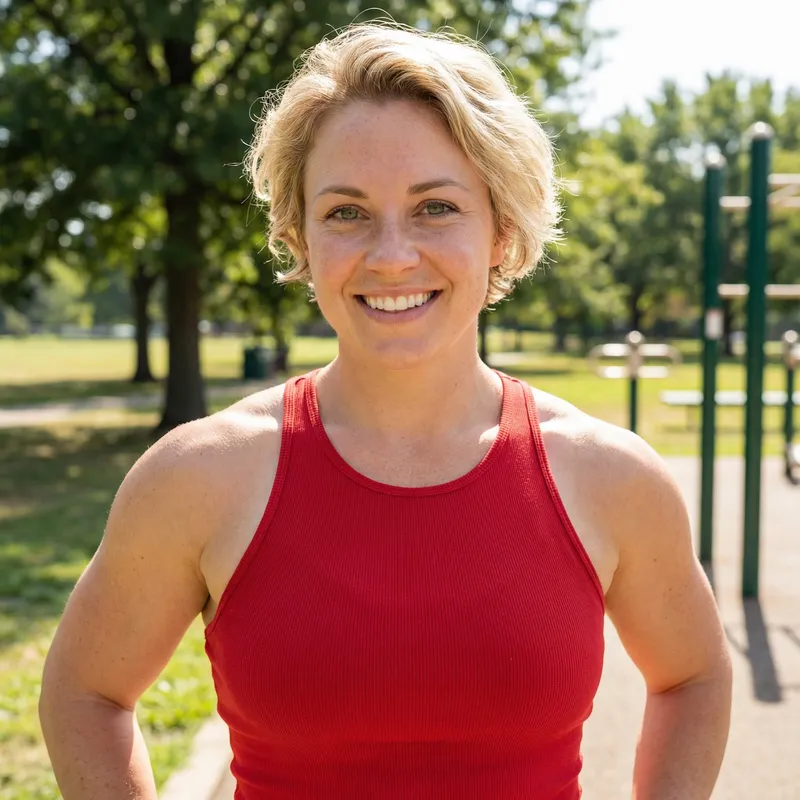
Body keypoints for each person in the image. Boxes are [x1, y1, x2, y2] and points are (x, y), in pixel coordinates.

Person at [39, 21, 732, 800]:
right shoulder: (199, 476)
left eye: (436, 207)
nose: (392, 254)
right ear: (299, 234)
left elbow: (693, 677)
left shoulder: (610, 477)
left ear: (502, 230)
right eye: (346, 212)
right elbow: (86, 694)